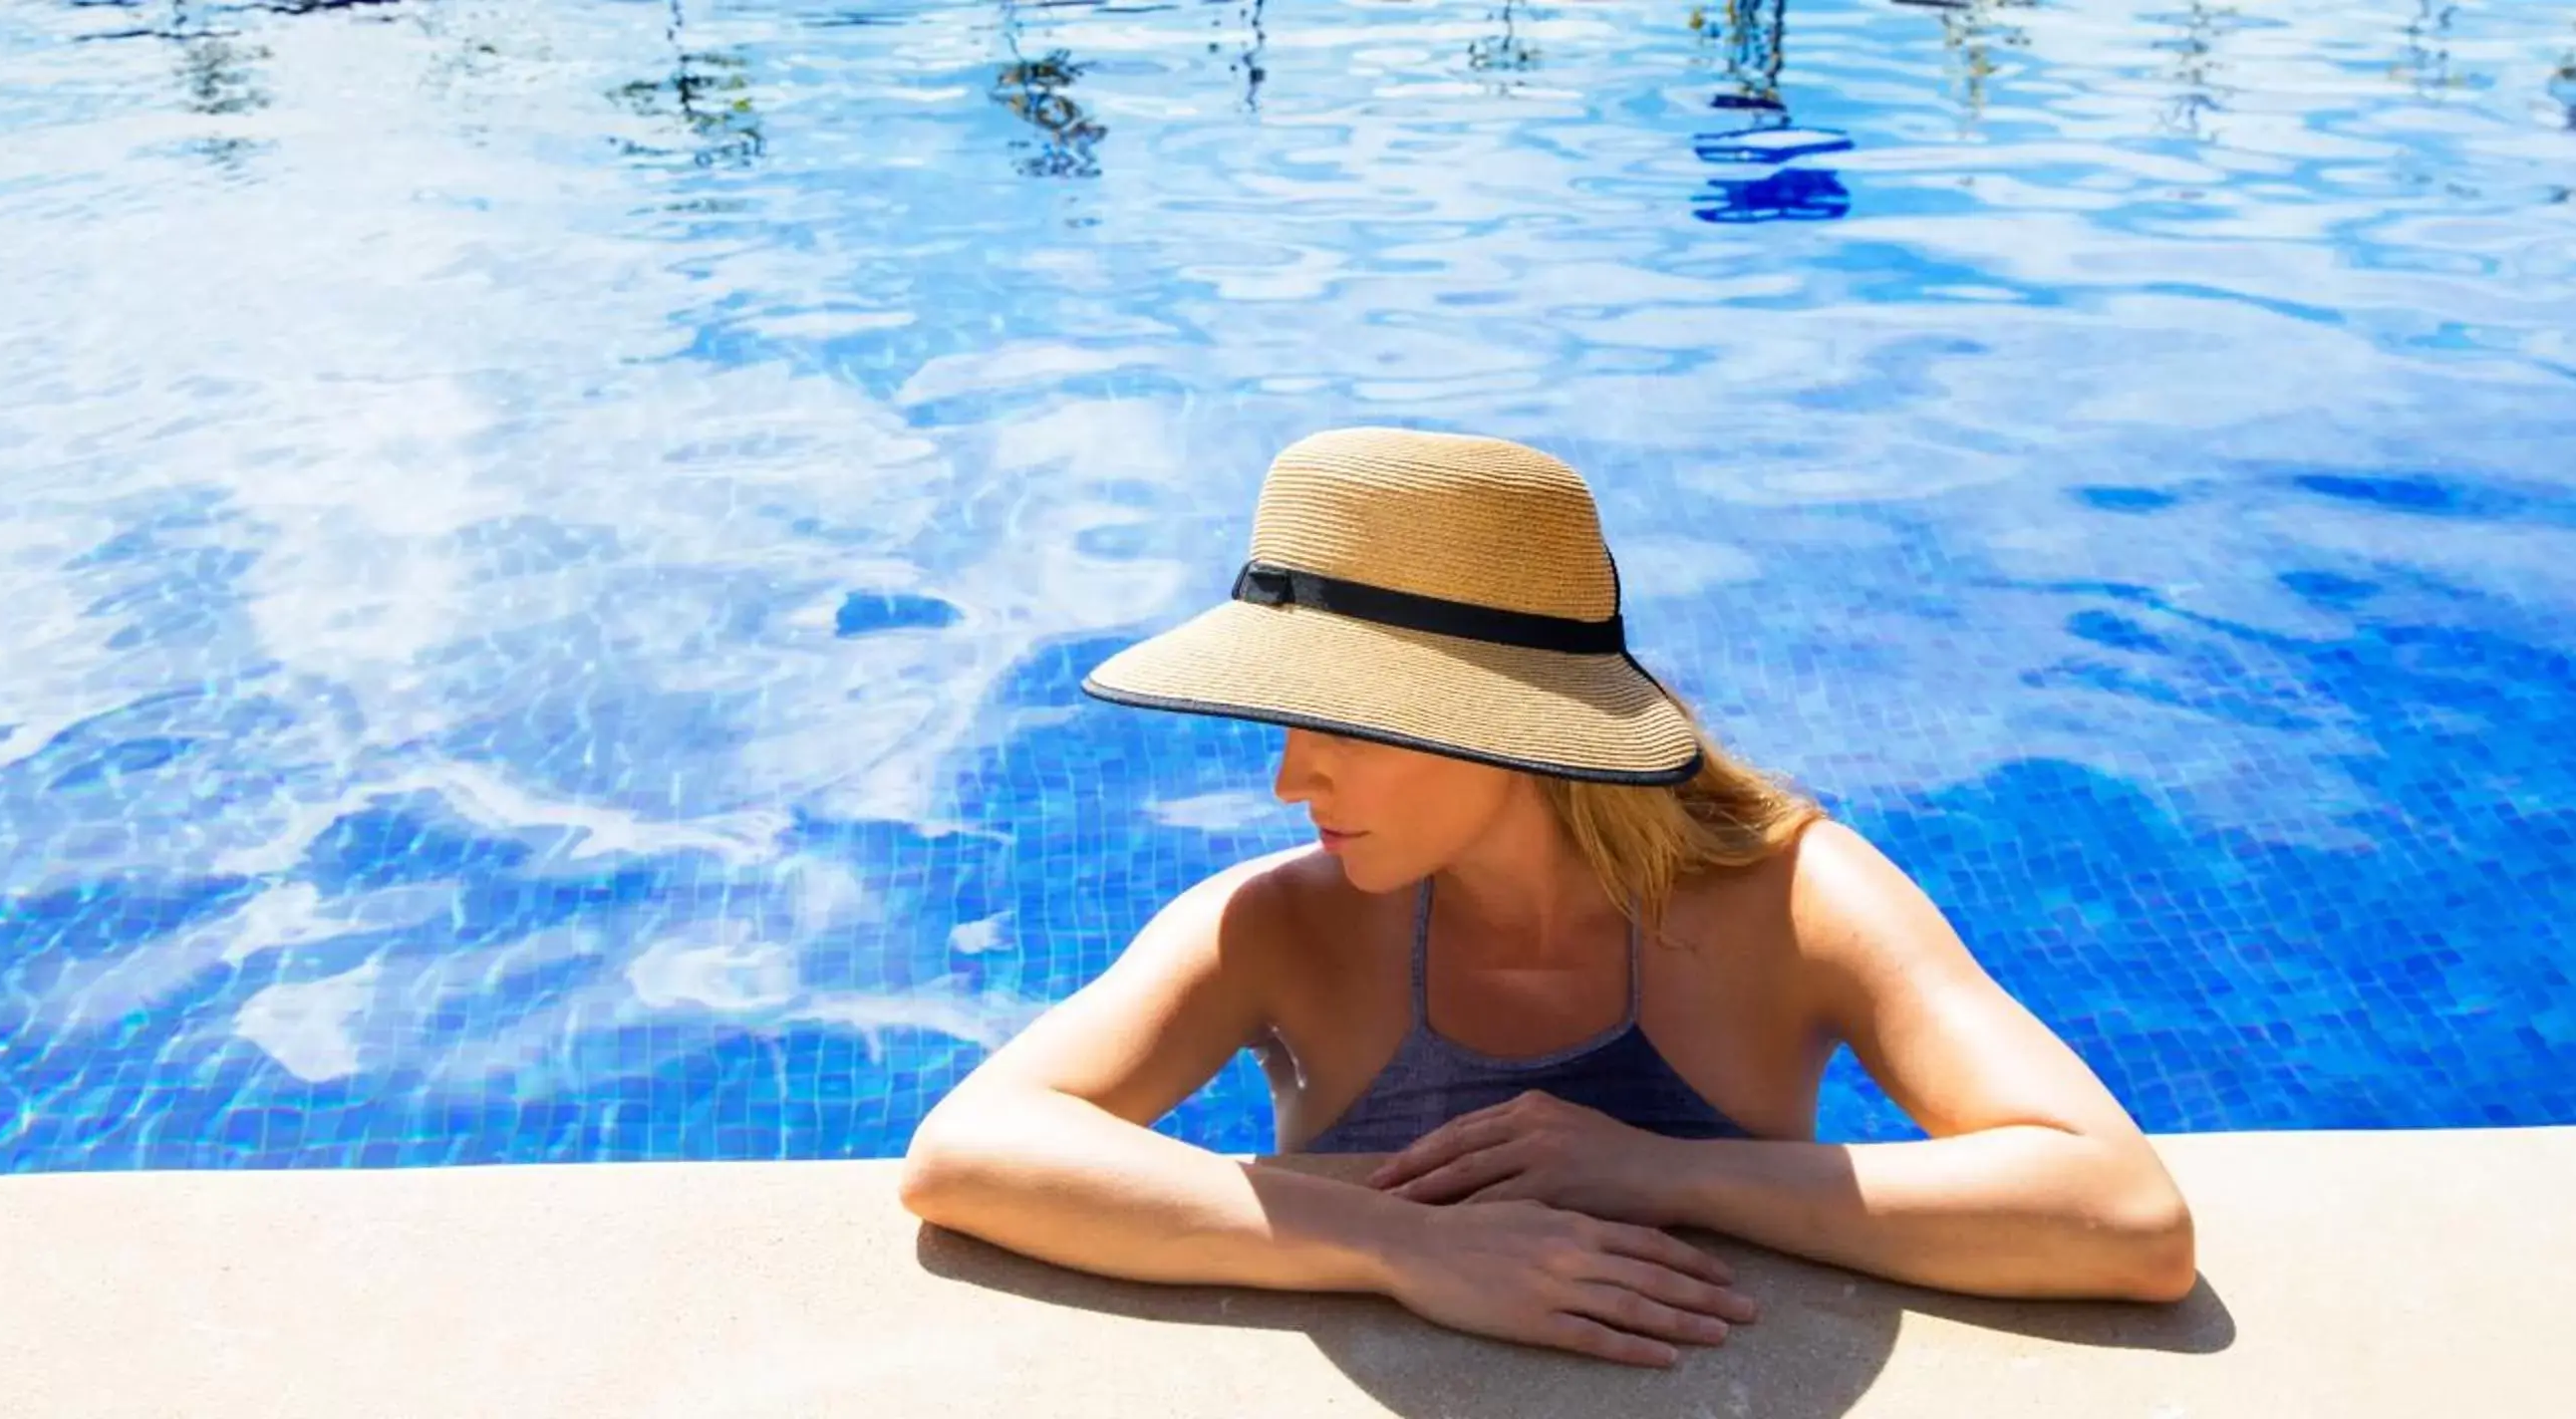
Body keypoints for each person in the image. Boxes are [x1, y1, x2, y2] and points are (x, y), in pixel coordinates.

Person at [900, 426, 2195, 1368]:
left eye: (1335, 725)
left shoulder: (1797, 899)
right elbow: (972, 1156)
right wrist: (1397, 1247)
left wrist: (1662, 1173)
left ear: (1494, 725)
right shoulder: (1279, 924)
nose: (1291, 778)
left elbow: (2125, 1221)